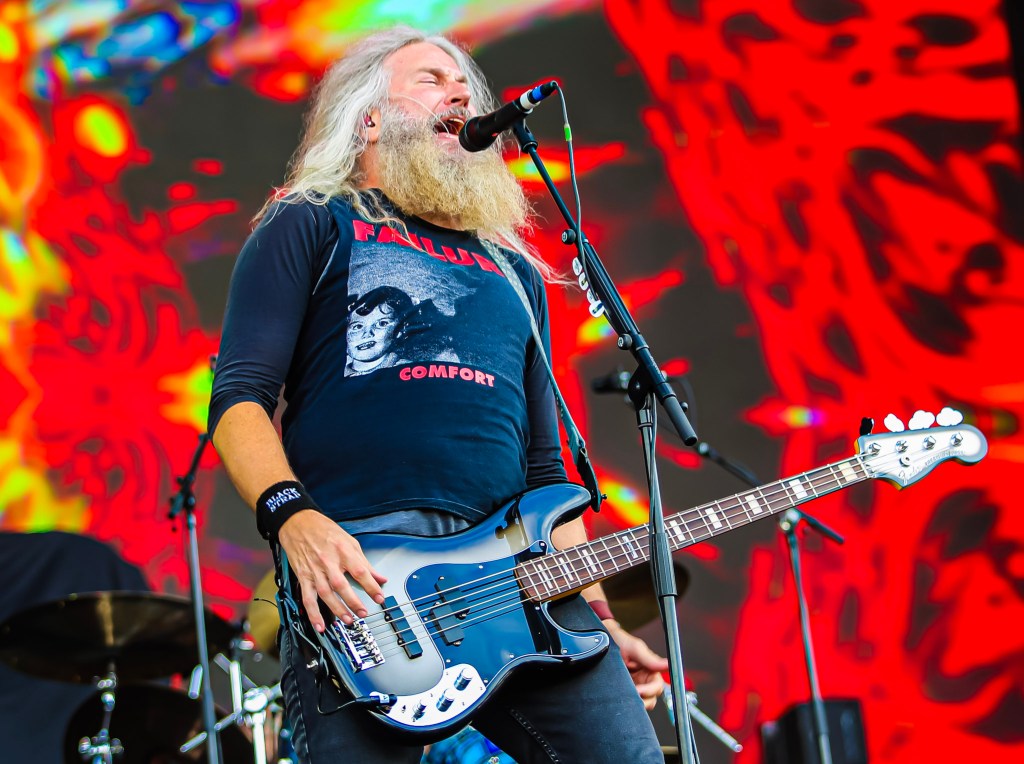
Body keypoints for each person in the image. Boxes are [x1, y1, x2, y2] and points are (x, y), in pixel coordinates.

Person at [209, 25, 666, 764]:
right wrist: (292, 517)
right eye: (430, 79)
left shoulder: (514, 272)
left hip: (521, 573)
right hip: (363, 571)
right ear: (369, 119)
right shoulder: (311, 221)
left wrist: (601, 620)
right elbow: (239, 397)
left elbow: (547, 470)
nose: (459, 93)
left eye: (464, 86)